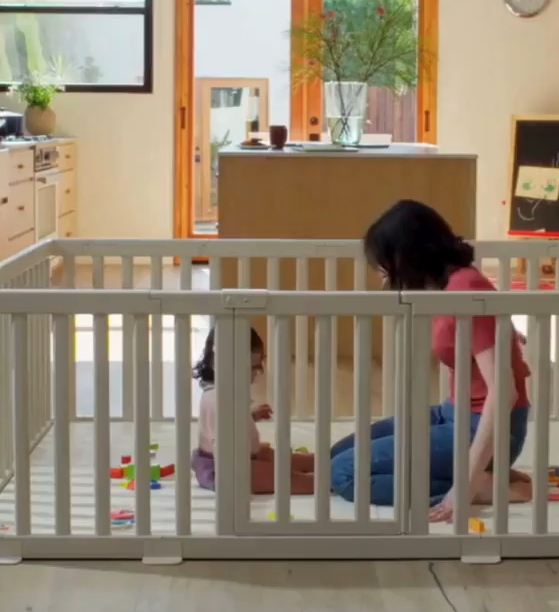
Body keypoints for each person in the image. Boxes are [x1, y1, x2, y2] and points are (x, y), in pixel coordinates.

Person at [330, 199, 532, 521]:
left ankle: (482, 485)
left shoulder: (465, 287)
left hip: (483, 424)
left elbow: (503, 392)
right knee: (336, 456)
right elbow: (491, 327)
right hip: (452, 413)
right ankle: (483, 474)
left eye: (385, 262)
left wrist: (462, 489)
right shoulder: (446, 286)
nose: (382, 272)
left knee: (344, 473)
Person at [191, 326, 315, 494]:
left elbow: (229, 423)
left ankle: (317, 461)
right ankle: (320, 481)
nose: (258, 372)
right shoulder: (217, 399)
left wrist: (251, 416)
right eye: (252, 368)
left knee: (275, 457)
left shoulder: (225, 393)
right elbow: (222, 444)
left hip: (241, 459)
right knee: (280, 476)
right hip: (224, 469)